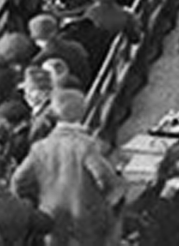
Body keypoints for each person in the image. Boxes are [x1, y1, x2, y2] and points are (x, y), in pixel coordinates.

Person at [11, 89, 120, 244]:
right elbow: (104, 177)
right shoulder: (85, 145)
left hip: (51, 217)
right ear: (82, 112)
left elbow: (18, 180)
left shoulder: (40, 147)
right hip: (86, 218)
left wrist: (33, 201)